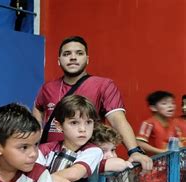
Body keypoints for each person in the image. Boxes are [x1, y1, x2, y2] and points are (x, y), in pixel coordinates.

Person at [33, 35, 152, 171]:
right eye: (67, 54)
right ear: (59, 61)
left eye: (79, 53)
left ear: (87, 59)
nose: (73, 57)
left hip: (87, 161)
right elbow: (38, 108)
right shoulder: (48, 88)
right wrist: (37, 135)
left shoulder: (103, 85)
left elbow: (117, 120)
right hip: (50, 159)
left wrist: (134, 150)